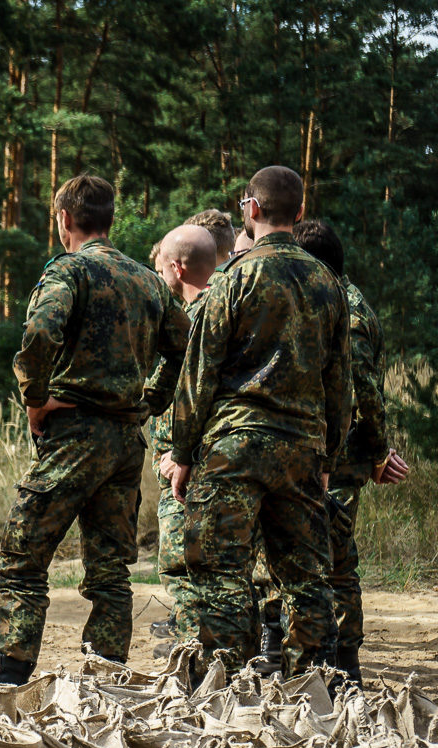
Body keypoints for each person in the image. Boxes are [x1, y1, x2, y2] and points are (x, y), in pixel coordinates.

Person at [0, 175, 190, 683]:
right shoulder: (149, 281)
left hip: (75, 434)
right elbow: (185, 351)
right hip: (126, 442)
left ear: (64, 221)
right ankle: (107, 676)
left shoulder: (69, 272)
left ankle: (10, 676)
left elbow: (39, 332)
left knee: (23, 553)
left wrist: (35, 399)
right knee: (110, 570)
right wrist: (150, 400)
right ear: (110, 219)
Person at [161, 165, 349, 675]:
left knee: (219, 575)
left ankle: (221, 691)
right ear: (301, 212)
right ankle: (315, 692)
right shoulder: (328, 284)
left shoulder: (236, 278)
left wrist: (181, 453)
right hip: (301, 450)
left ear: (252, 209)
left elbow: (197, 374)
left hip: (235, 447)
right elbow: (339, 386)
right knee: (307, 579)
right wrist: (327, 459)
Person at [292, 218, 409, 683]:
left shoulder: (347, 310)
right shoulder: (333, 298)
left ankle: (345, 661)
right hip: (323, 451)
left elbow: (364, 390)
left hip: (338, 458)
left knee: (334, 559)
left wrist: (379, 451)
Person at [146, 224, 220, 642]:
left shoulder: (197, 317)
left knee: (184, 565)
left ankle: (196, 658)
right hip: (218, 455)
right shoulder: (228, 306)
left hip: (191, 463)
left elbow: (191, 391)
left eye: (160, 270)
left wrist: (181, 451)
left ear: (175, 268)